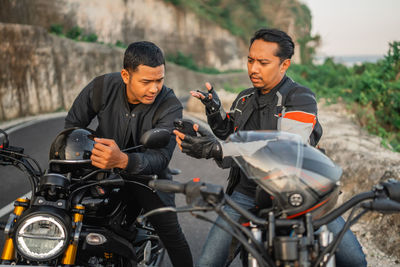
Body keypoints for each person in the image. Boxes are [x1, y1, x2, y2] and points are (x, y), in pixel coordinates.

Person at [174, 29, 366, 267]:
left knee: (354, 261)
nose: (253, 69)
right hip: (246, 192)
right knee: (208, 262)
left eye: (263, 62)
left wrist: (217, 150)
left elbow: (284, 147)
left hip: (297, 194)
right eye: (250, 60)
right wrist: (214, 110)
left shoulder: (301, 98)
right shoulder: (244, 99)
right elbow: (230, 133)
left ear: (284, 64)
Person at [65, 41, 193, 267]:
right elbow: (72, 127)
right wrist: (87, 153)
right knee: (58, 209)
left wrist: (123, 160)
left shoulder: (170, 104)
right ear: (126, 75)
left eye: (159, 80)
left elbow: (161, 157)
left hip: (146, 176)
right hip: (97, 167)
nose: (154, 88)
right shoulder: (102, 87)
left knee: (172, 235)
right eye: (146, 81)